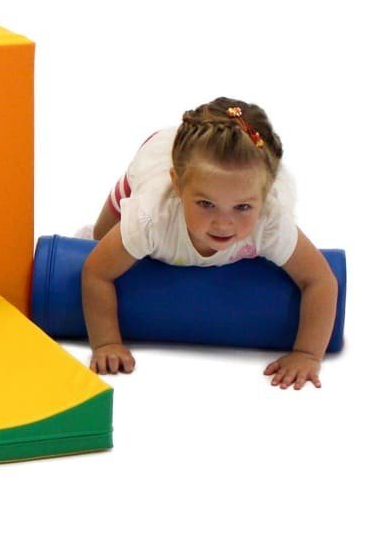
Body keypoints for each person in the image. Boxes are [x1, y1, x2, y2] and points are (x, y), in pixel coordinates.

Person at [82, 98, 338, 388]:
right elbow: (96, 272)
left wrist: (307, 354)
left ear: (264, 198)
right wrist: (106, 343)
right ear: (178, 186)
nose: (223, 223)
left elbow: (320, 281)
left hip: (214, 167)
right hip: (155, 157)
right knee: (100, 237)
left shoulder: (269, 222)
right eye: (206, 204)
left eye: (242, 207)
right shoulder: (151, 215)